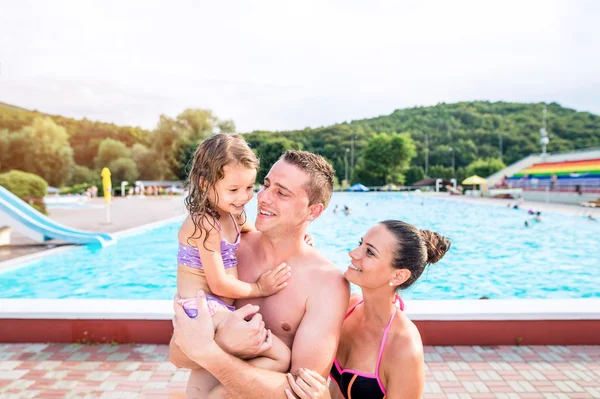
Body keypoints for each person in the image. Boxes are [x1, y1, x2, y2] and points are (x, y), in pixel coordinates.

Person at [171, 150, 350, 398]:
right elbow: (176, 355)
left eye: (281, 192)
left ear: (313, 211)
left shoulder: (326, 283)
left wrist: (213, 355)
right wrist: (223, 343)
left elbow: (303, 392)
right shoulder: (229, 250)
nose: (262, 197)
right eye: (266, 185)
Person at [171, 134, 294, 397]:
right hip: (201, 308)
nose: (244, 197)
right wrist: (260, 288)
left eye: (249, 187)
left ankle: (219, 392)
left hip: (219, 309)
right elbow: (218, 283)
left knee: (275, 357)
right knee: (280, 357)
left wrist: (295, 238)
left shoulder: (232, 215)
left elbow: (259, 232)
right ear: (205, 184)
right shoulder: (204, 223)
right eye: (234, 189)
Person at [285, 220, 451, 399]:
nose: (353, 253)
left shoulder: (404, 347)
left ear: (398, 276)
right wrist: (303, 253)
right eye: (360, 244)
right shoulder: (347, 306)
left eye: (370, 252)